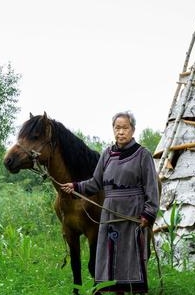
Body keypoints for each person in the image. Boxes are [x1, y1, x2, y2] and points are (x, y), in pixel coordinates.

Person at [61, 111, 159, 294]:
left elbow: (152, 187)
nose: (121, 132)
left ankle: (135, 289)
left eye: (125, 128)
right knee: (111, 254)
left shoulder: (142, 154)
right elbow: (95, 183)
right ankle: (116, 290)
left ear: (133, 130)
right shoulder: (107, 154)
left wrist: (149, 212)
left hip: (132, 213)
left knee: (130, 254)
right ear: (113, 129)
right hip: (110, 213)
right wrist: (75, 186)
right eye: (117, 128)